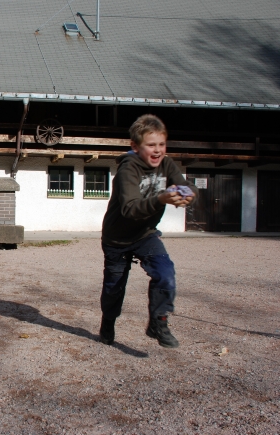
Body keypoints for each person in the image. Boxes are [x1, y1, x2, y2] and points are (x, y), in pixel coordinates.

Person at [99, 114, 198, 349]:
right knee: (114, 287)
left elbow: (188, 186)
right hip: (116, 239)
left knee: (166, 273)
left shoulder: (167, 164)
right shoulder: (128, 169)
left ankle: (158, 322)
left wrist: (189, 195)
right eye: (151, 145)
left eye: (161, 144)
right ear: (135, 146)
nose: (157, 151)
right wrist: (161, 198)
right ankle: (108, 321)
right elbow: (130, 209)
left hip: (145, 234)